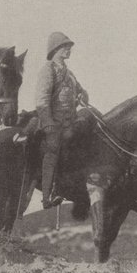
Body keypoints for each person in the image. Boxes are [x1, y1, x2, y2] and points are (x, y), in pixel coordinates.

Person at [35, 32, 89, 210]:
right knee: (52, 152)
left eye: (69, 47)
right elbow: (42, 99)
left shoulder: (69, 73)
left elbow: (80, 90)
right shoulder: (48, 69)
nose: (68, 50)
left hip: (70, 121)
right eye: (65, 47)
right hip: (54, 123)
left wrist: (83, 94)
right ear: (55, 49)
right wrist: (48, 122)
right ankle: (48, 195)